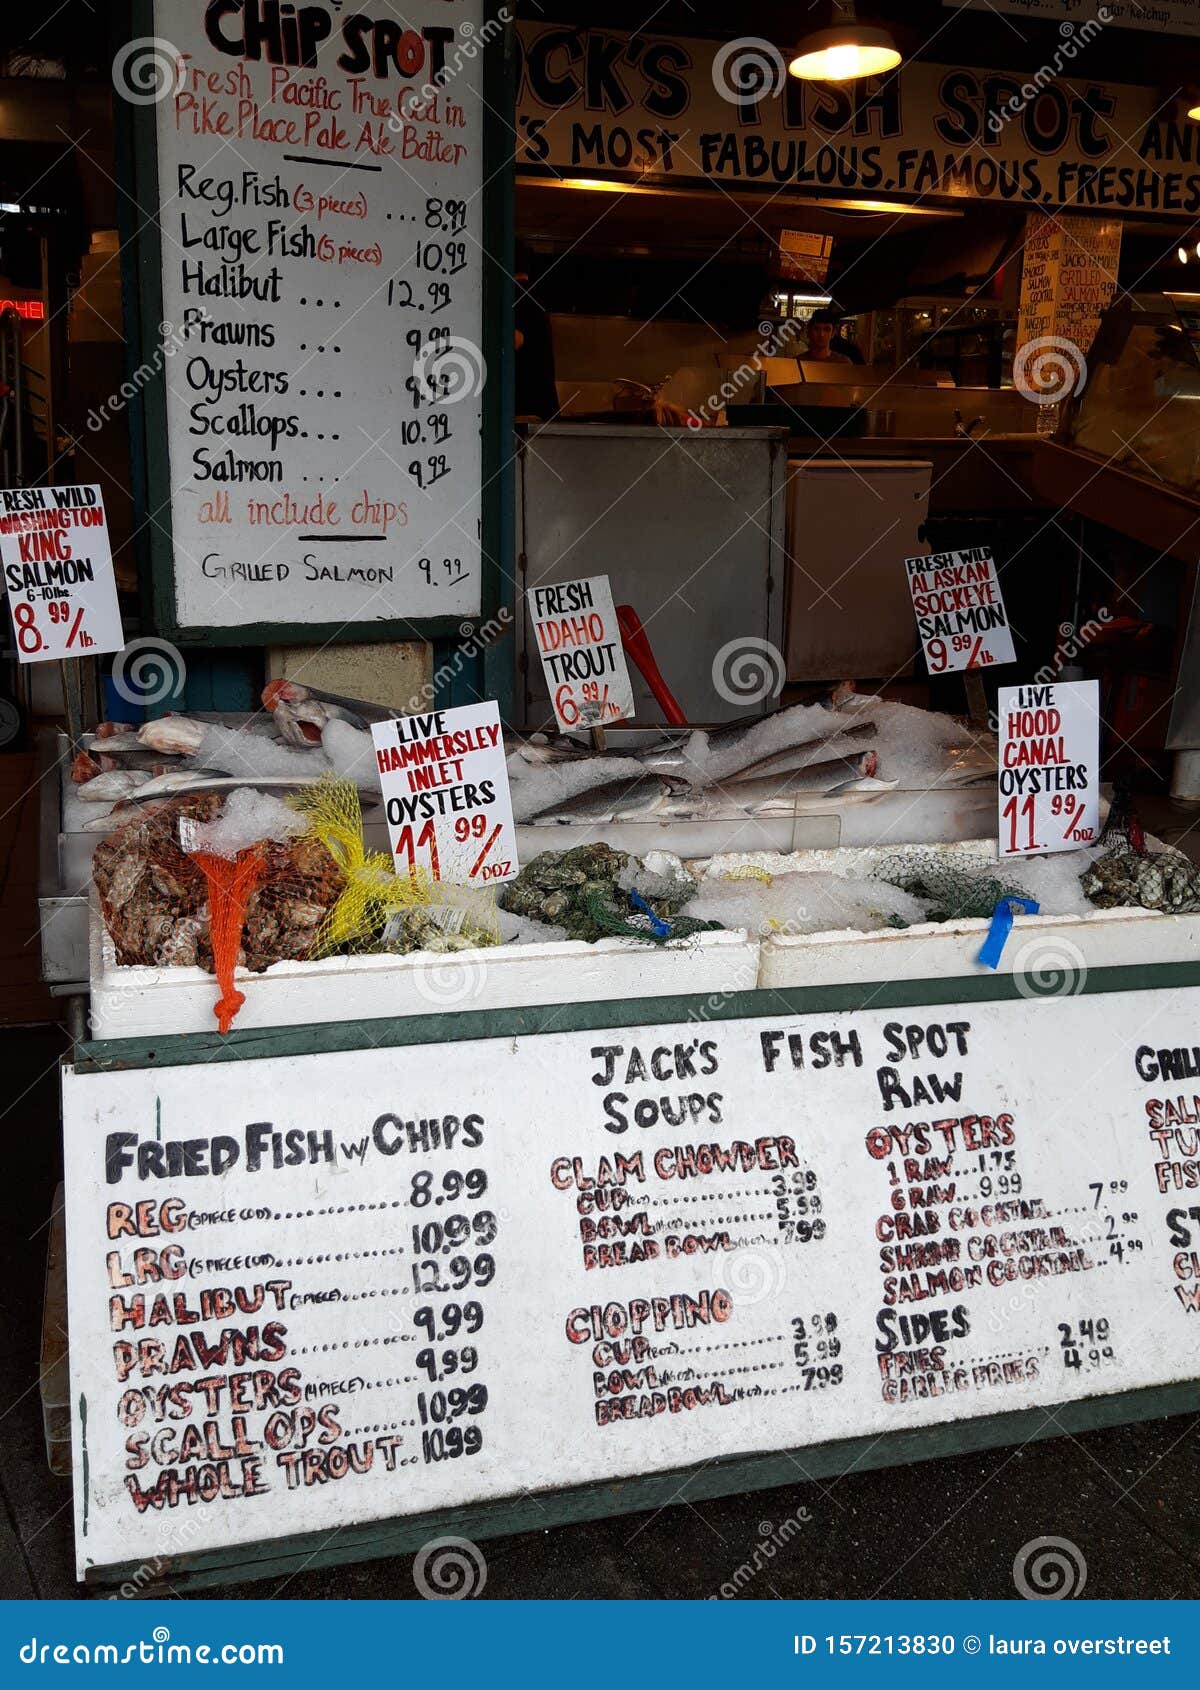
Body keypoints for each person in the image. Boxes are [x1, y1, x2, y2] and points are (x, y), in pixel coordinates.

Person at [514, 243, 559, 422]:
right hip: (543, 403)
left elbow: (514, 341)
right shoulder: (534, 295)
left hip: (527, 404)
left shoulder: (516, 296)